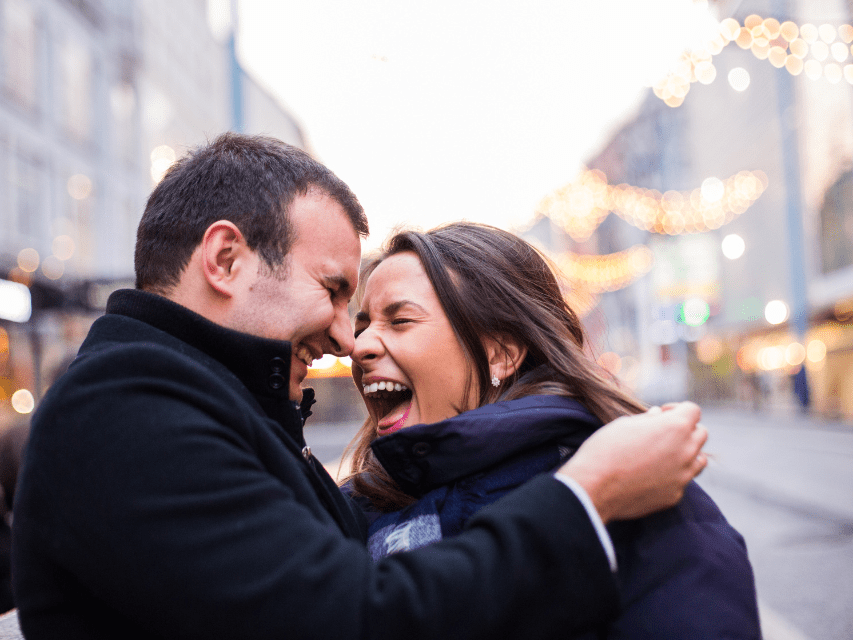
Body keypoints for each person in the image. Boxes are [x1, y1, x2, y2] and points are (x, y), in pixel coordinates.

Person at [12, 133, 707, 640]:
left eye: (389, 316)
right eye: (336, 291)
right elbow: (349, 619)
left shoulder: (205, 401)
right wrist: (587, 496)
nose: (349, 337)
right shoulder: (130, 411)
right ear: (226, 259)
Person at [345, 222, 760, 639]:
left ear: (501, 354)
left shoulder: (638, 490)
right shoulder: (349, 512)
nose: (359, 346)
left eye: (399, 320)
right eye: (361, 326)